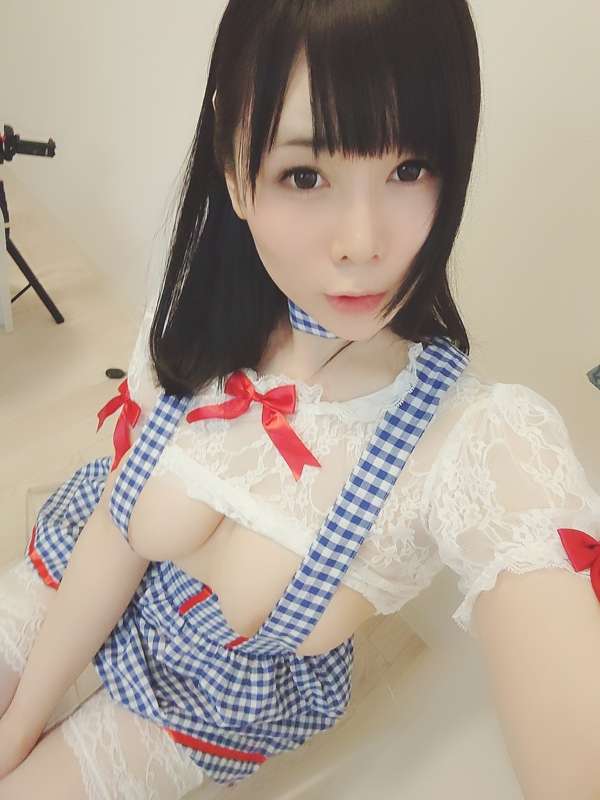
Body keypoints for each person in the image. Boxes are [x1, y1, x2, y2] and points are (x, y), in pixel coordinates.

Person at [1, 1, 599, 797]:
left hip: (203, 705)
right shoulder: (196, 315)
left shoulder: (470, 443)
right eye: (306, 175)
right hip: (75, 576)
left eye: (410, 168)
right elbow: (116, 527)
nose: (362, 242)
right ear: (234, 168)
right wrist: (18, 725)